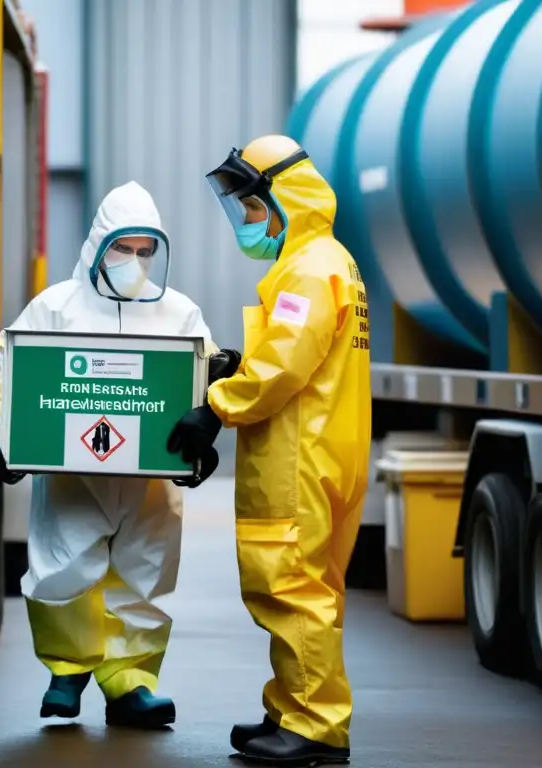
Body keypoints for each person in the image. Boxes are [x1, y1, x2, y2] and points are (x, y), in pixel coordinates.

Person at [0, 181, 235, 729]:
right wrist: (8, 438)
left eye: (146, 251)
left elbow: (207, 374)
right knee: (63, 567)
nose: (135, 261)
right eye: (124, 248)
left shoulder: (180, 313)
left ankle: (131, 683)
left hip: (151, 482)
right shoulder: (55, 308)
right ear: (99, 245)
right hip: (74, 479)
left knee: (144, 573)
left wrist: (205, 430)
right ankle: (67, 671)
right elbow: (7, 371)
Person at [167, 135, 372, 765]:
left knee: (290, 588)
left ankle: (313, 726)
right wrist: (235, 362)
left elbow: (283, 366)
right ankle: (289, 707)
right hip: (326, 453)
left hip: (298, 460)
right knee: (310, 588)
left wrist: (216, 409)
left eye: (253, 207)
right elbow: (300, 355)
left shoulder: (309, 269)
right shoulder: (329, 262)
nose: (249, 221)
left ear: (283, 196)